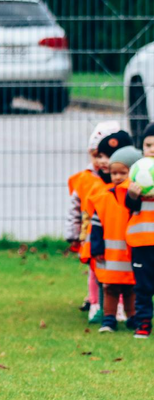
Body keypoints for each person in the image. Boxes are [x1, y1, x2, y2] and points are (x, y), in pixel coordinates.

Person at [81, 130, 133, 324]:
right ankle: (100, 308)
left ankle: (130, 314)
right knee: (102, 279)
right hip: (104, 249)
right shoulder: (99, 189)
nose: (104, 161)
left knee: (129, 284)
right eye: (100, 156)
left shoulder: (134, 195)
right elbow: (93, 219)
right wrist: (93, 246)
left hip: (127, 250)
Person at [67, 121, 119, 314]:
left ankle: (118, 305)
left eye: (107, 155)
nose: (102, 161)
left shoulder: (120, 178)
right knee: (94, 270)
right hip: (90, 235)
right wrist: (73, 234)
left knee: (117, 270)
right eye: (97, 155)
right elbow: (75, 209)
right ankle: (94, 301)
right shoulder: (85, 179)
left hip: (115, 235)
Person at [89, 145, 142, 333]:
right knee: (110, 288)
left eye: (123, 173)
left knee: (131, 288)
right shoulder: (104, 197)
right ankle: (109, 319)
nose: (117, 177)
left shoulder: (136, 198)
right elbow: (96, 225)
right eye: (114, 173)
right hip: (109, 256)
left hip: (130, 254)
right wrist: (96, 248)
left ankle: (133, 317)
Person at [126, 123, 154, 339]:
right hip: (141, 242)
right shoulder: (136, 173)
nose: (152, 149)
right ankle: (143, 322)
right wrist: (133, 196)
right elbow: (129, 206)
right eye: (148, 145)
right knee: (143, 287)